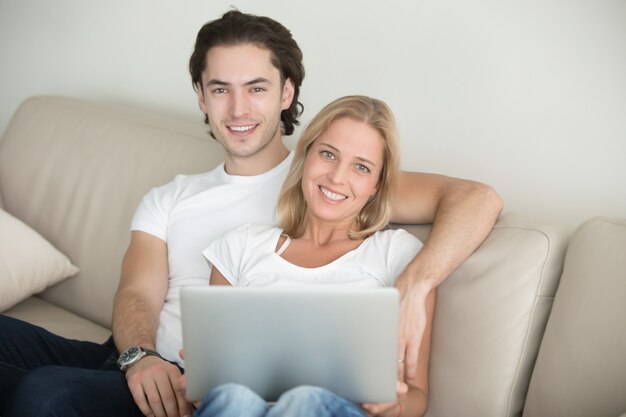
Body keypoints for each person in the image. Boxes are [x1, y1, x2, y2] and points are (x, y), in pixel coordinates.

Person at [0, 10, 502, 417]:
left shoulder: (321, 182)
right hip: (138, 359)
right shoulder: (172, 196)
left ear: (286, 94)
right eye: (220, 89)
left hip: (206, 390)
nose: (238, 109)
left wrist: (415, 285)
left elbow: (476, 199)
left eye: (257, 88)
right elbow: (136, 292)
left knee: (46, 394)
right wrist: (139, 357)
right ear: (201, 96)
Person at [193, 95, 436, 417]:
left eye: (361, 167)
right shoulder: (241, 246)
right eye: (328, 154)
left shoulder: (398, 254)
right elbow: (208, 386)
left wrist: (392, 405)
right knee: (234, 398)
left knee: (305, 400)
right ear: (306, 156)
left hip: (334, 409)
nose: (337, 177)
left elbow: (416, 397)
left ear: (377, 185)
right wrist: (200, 383)